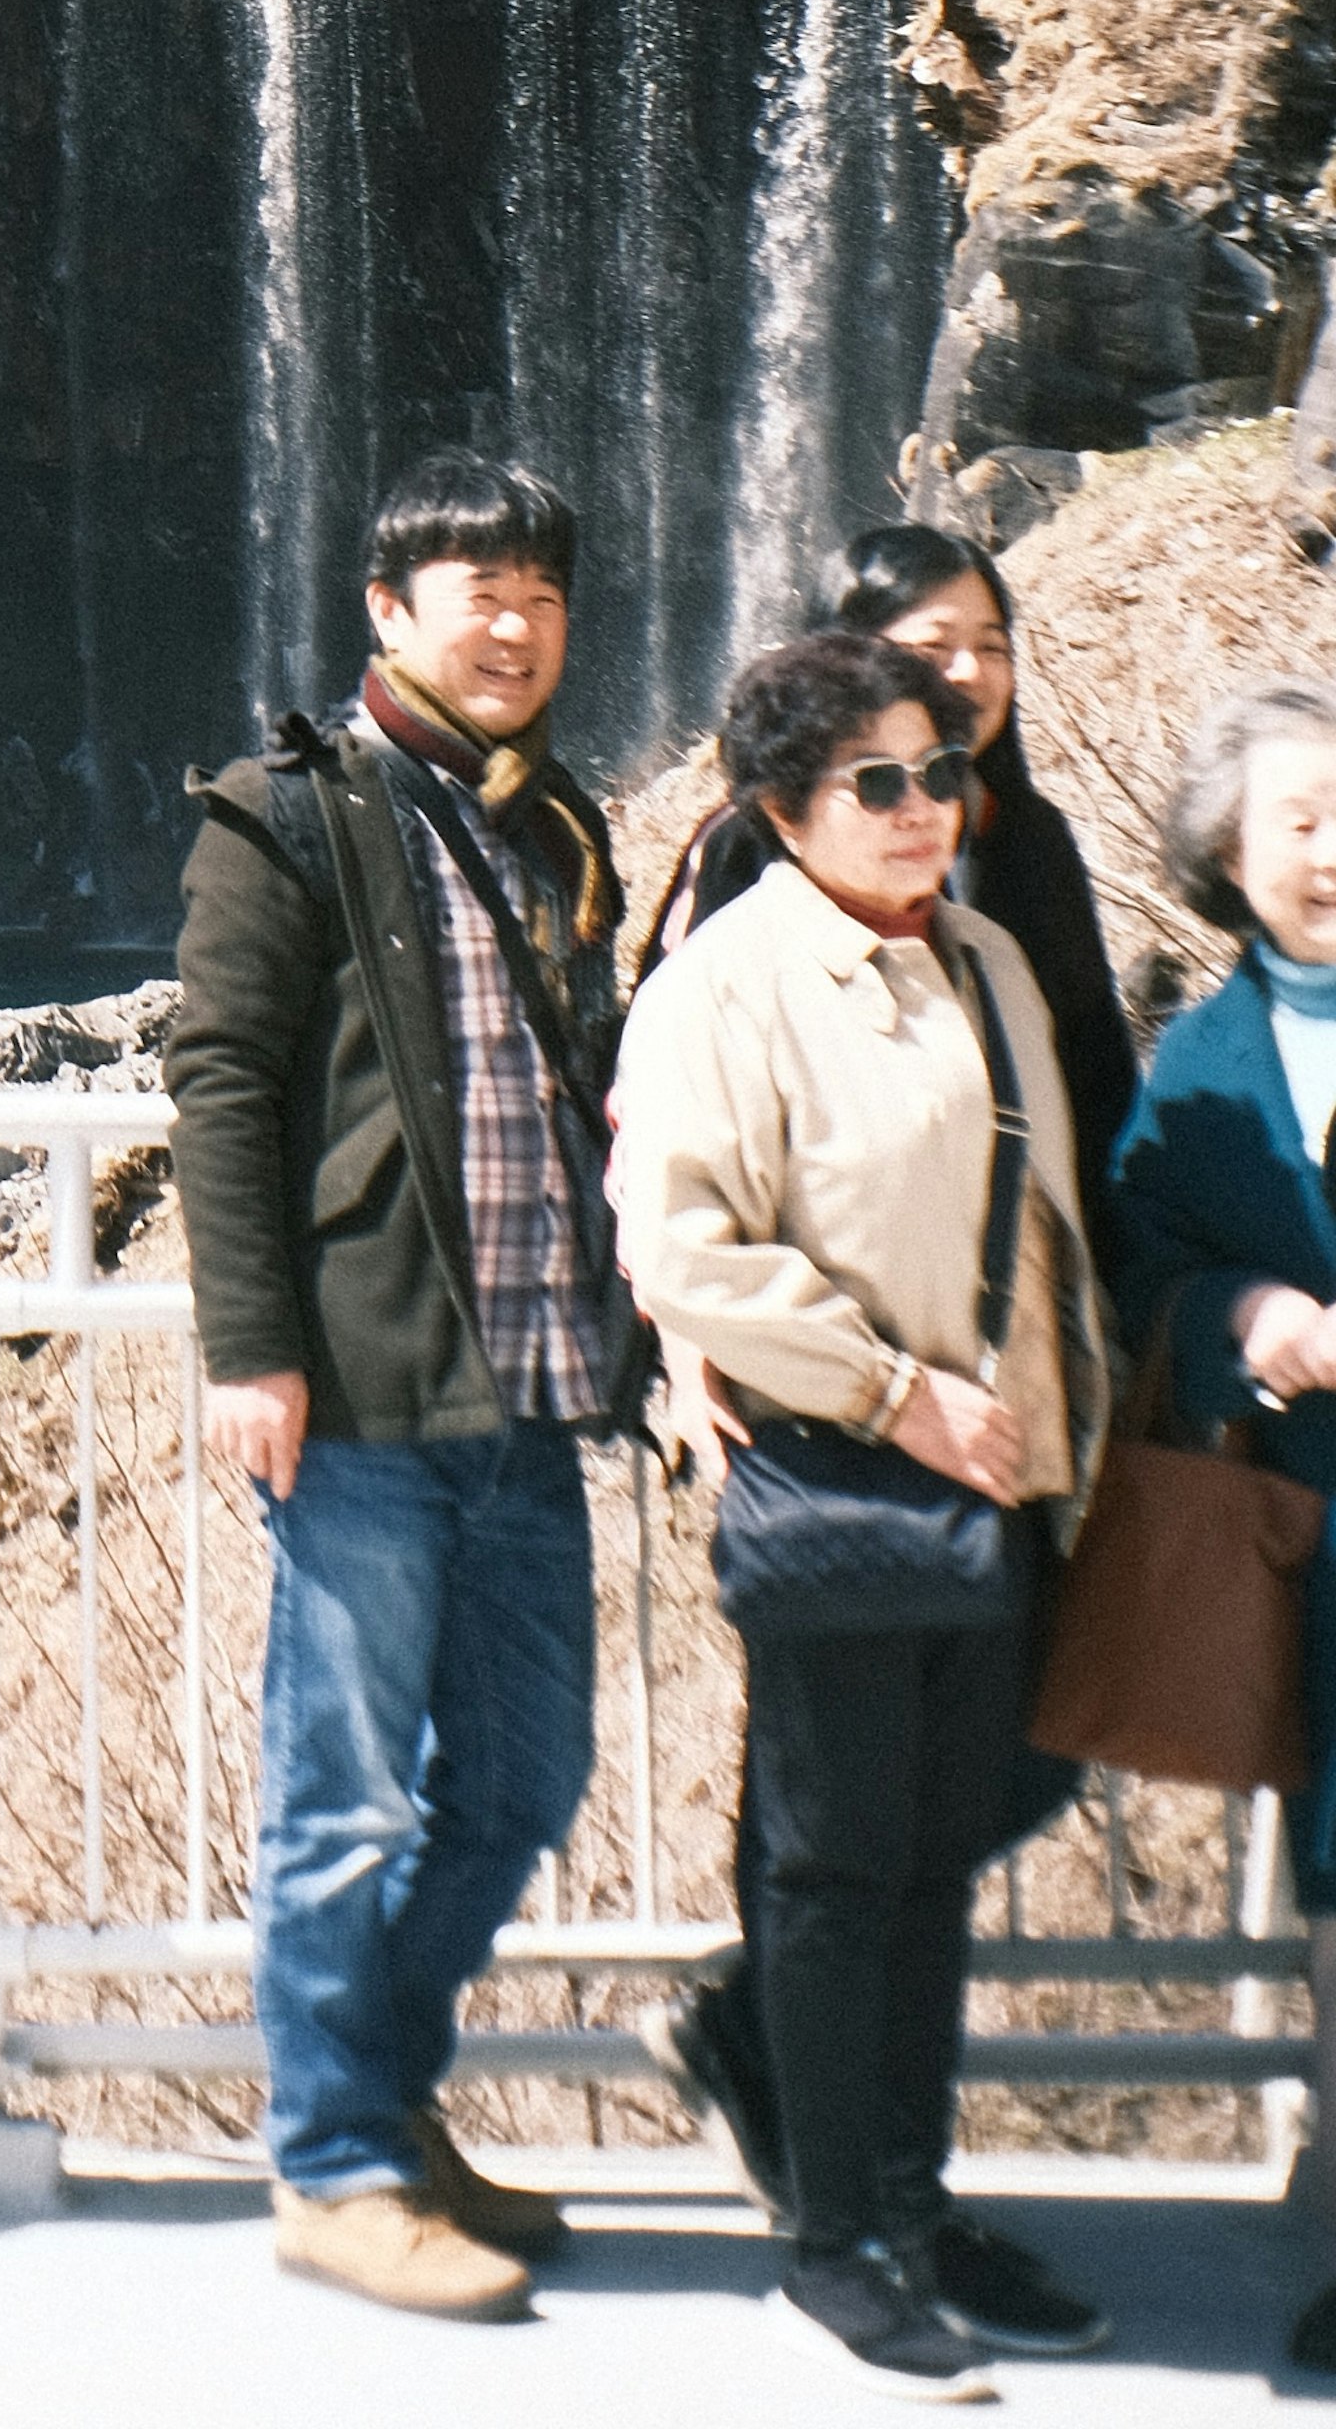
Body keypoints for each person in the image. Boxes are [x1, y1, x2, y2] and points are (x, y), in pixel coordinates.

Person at [166, 449, 642, 2323]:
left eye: (540, 591)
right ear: (388, 610)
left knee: (527, 1778)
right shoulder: (285, 813)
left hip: (532, 1388)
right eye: (475, 587)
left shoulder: (557, 824)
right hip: (361, 1392)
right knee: (344, 1798)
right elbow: (220, 1084)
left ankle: (381, 2093)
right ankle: (337, 2163)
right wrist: (248, 1349)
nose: (514, 622)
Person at [614, 624, 1110, 2397]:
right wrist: (899, 1394)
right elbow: (679, 1247)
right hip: (856, 1472)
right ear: (782, 808)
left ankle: (913, 2200)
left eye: (941, 775)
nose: (922, 810)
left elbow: (1042, 1225)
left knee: (932, 1871)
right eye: (876, 784)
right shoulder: (728, 987)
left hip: (1009, 1483)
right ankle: (835, 2240)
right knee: (833, 1875)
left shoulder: (984, 957)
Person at [1106, 670, 1336, 2380]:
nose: (1332, 853)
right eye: (1301, 823)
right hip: (1314, 1525)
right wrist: (1238, 1316)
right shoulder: (1200, 1059)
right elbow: (1141, 1262)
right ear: (1230, 856)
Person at [642, 517, 1136, 1248]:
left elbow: (1095, 1072)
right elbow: (673, 1104)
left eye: (992, 647)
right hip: (821, 1277)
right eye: (934, 647)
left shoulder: (1027, 837)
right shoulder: (754, 839)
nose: (968, 672)